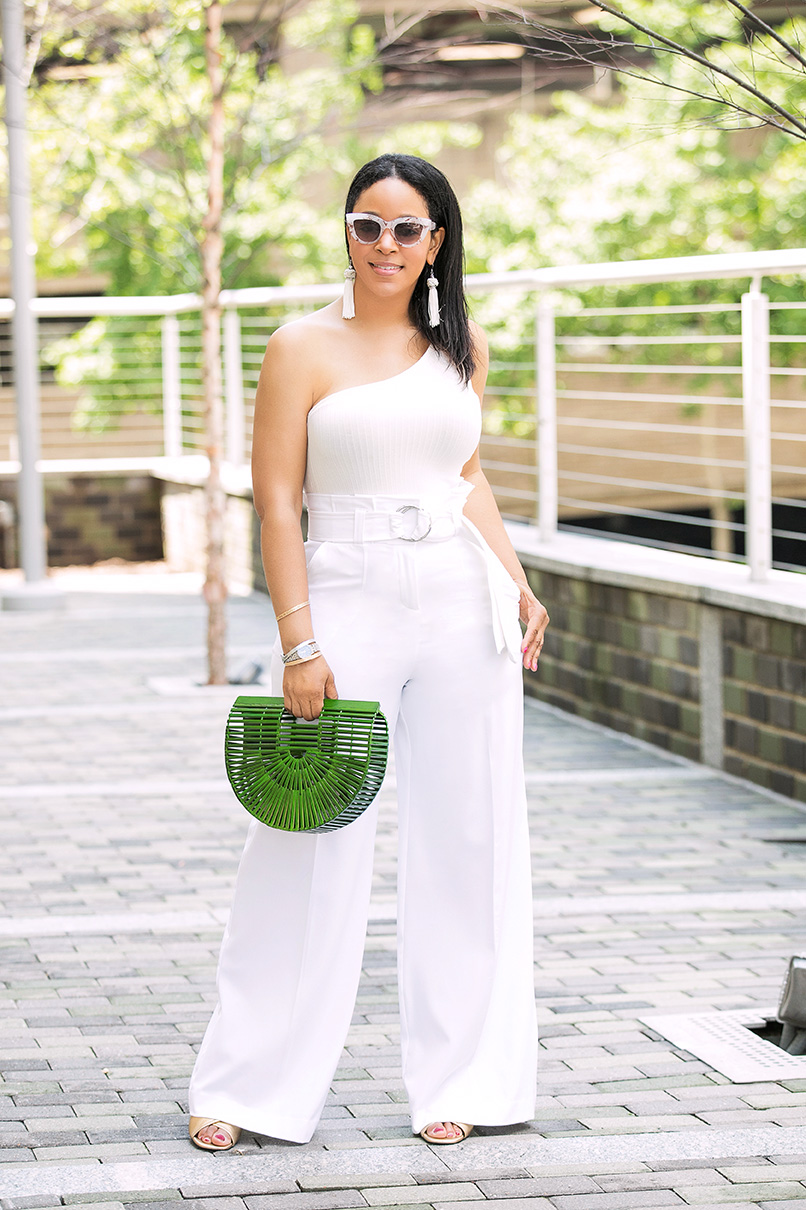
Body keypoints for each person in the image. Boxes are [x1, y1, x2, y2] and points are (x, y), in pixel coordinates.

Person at [187, 153, 550, 1150]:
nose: (386, 245)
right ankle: (249, 1086)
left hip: (456, 595)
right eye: (367, 224)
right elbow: (273, 501)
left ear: (437, 241)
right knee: (306, 835)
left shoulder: (459, 341)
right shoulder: (299, 345)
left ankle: (465, 1081)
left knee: (467, 839)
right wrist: (297, 640)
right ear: (345, 233)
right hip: (342, 594)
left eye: (407, 228)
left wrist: (514, 578)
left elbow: (462, 471)